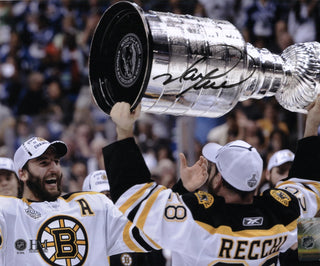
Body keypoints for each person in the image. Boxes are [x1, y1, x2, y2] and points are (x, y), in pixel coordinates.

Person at [103, 102, 300, 265]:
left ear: (219, 179)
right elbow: (313, 215)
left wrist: (124, 129)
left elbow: (135, 197)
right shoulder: (282, 212)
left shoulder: (196, 217)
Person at [0, 137, 157, 265]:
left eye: (56, 161)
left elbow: (148, 234)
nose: (54, 168)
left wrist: (124, 135)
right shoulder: (9, 212)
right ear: (22, 174)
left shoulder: (94, 205)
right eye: (44, 163)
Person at [83, 170, 167, 266]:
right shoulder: (79, 235)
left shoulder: (135, 232)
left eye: (110, 195)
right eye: (101, 196)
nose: (107, 201)